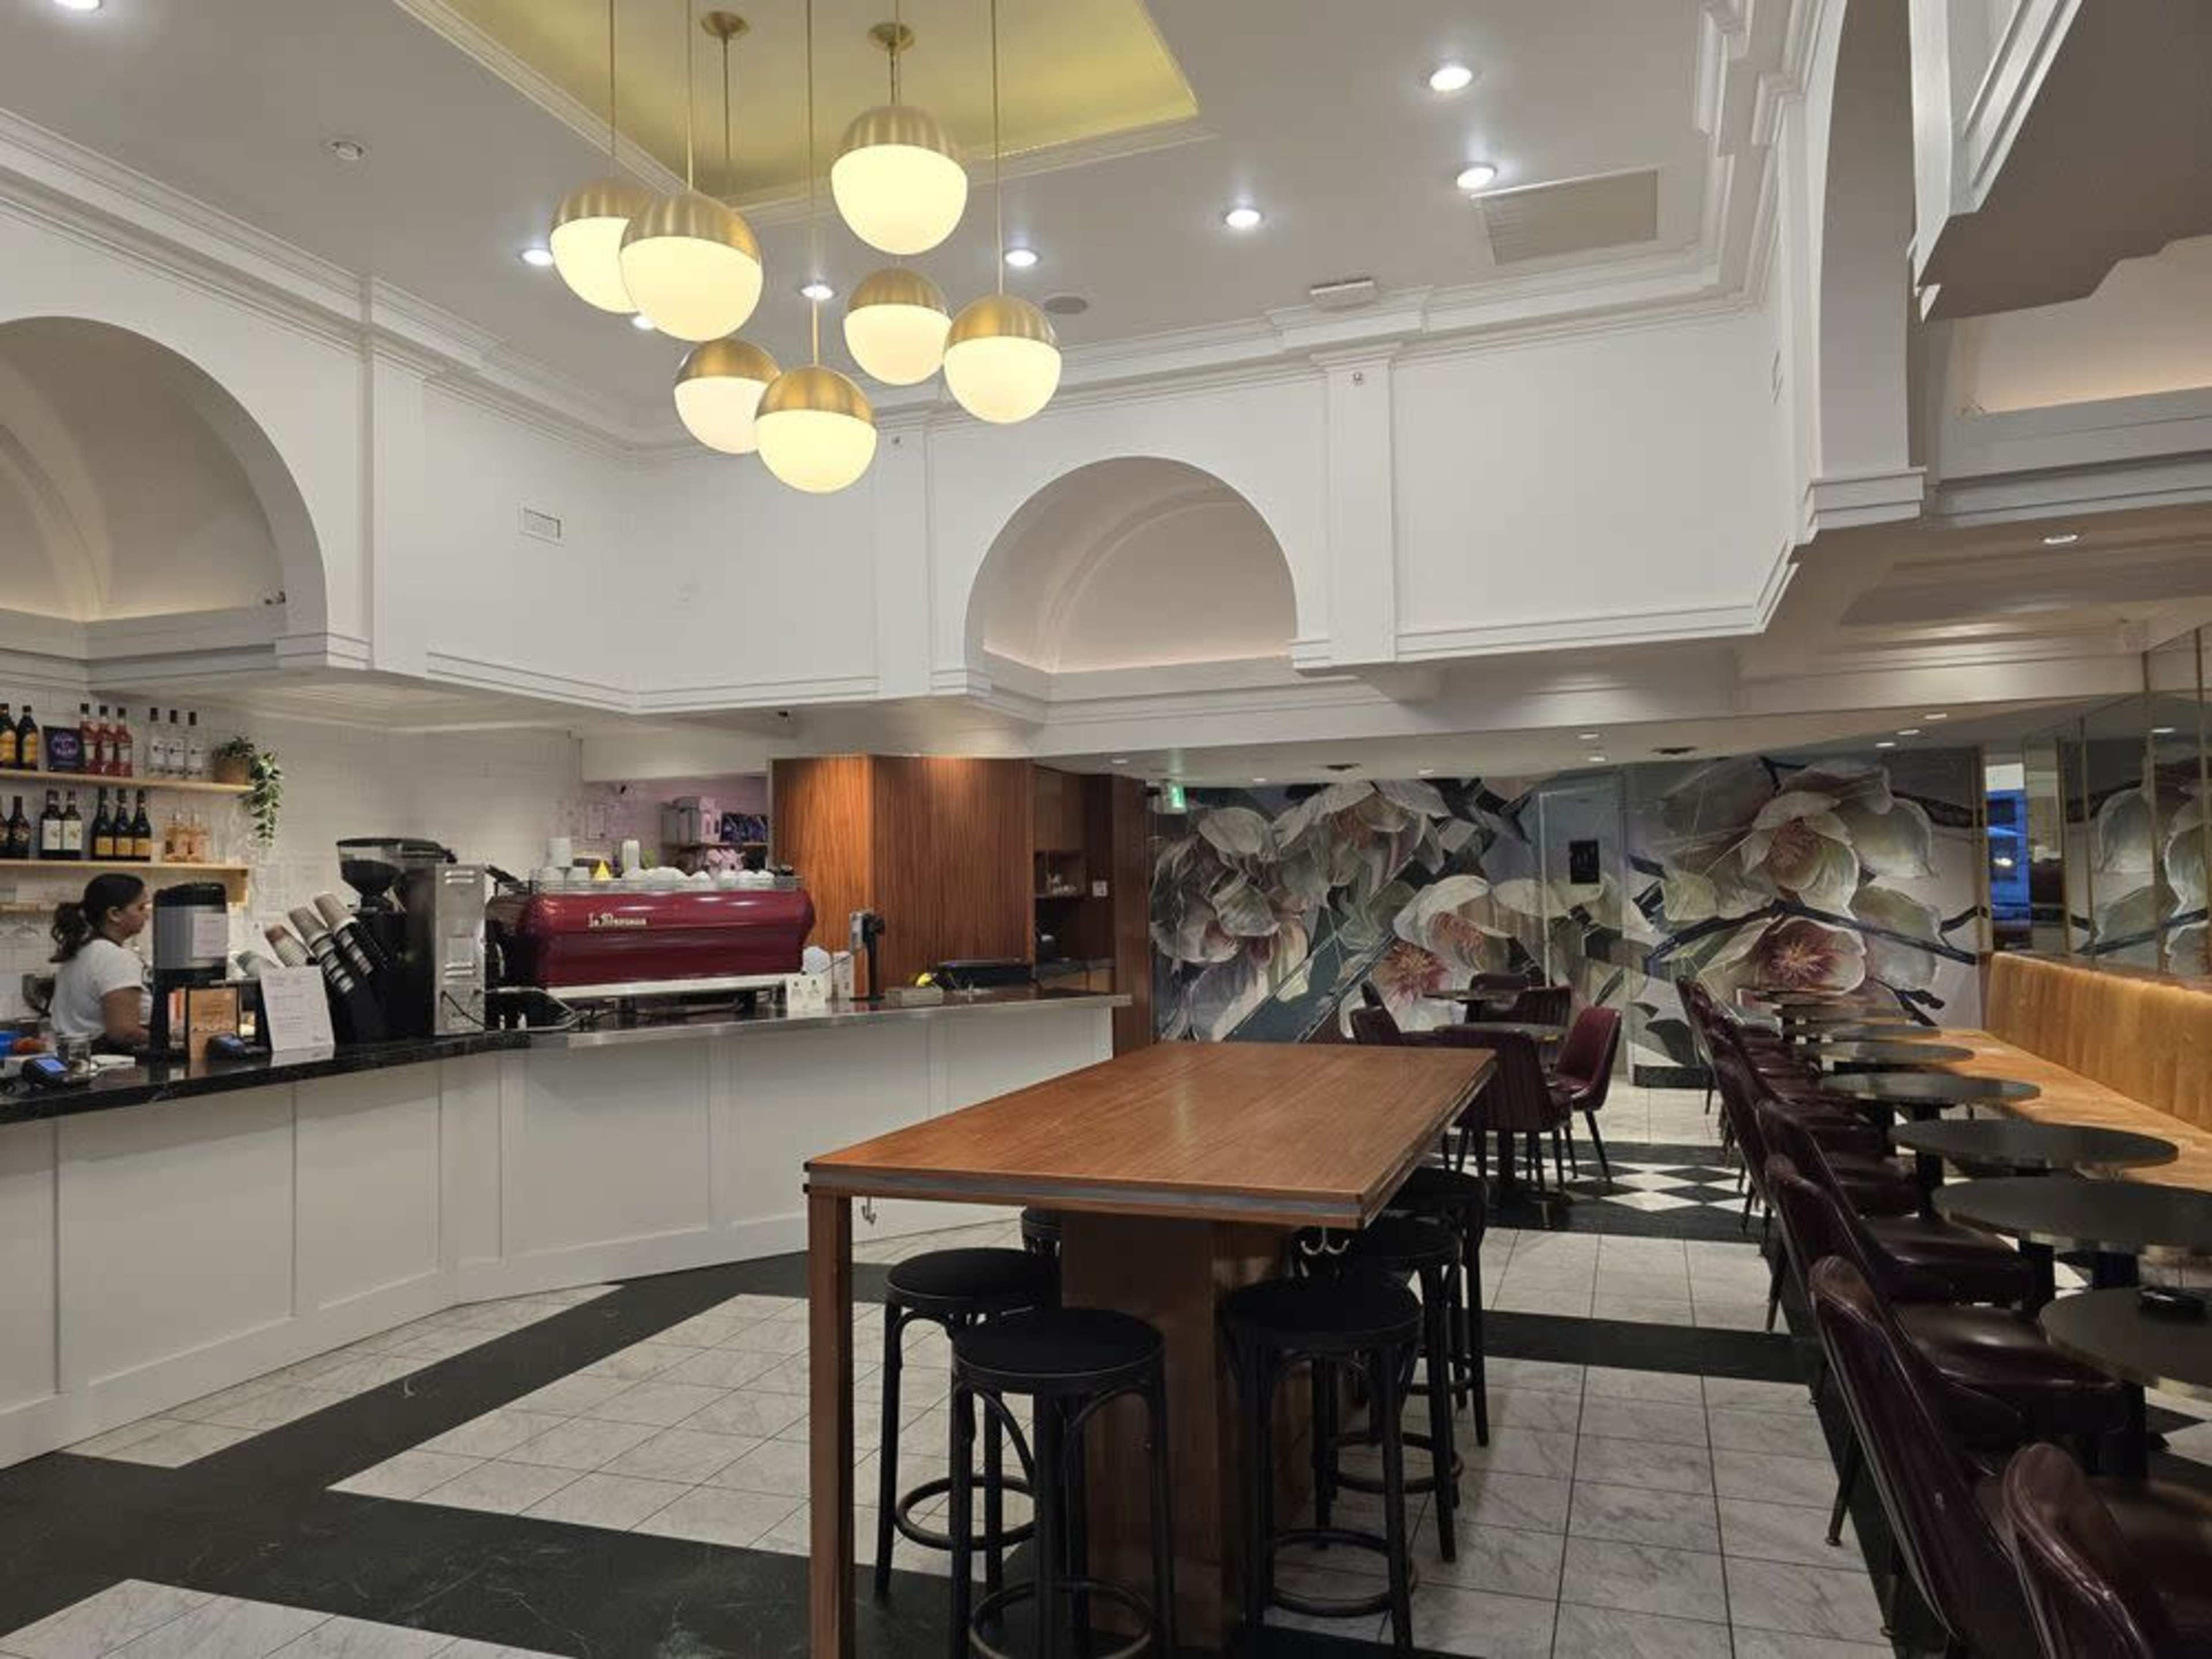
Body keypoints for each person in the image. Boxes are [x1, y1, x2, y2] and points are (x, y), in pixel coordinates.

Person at [49, 873, 151, 1048]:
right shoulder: (116, 958)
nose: (147, 915)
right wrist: (168, 1040)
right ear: (115, 914)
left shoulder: (80, 950)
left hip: (75, 1057)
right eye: (141, 908)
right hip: (111, 1064)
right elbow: (124, 1032)